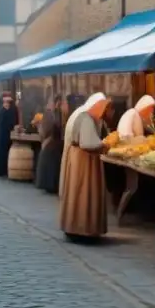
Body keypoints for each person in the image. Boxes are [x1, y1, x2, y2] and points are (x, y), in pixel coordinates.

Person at [59, 92, 110, 241]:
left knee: (77, 193)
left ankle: (75, 226)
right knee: (84, 193)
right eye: (101, 107)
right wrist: (105, 144)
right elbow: (87, 143)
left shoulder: (84, 116)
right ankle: (83, 229)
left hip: (79, 160)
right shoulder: (86, 119)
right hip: (84, 162)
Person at [35, 96, 67, 194]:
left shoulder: (57, 114)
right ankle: (50, 185)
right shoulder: (49, 114)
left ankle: (51, 185)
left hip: (55, 144)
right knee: (52, 166)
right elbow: (45, 131)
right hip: (51, 144)